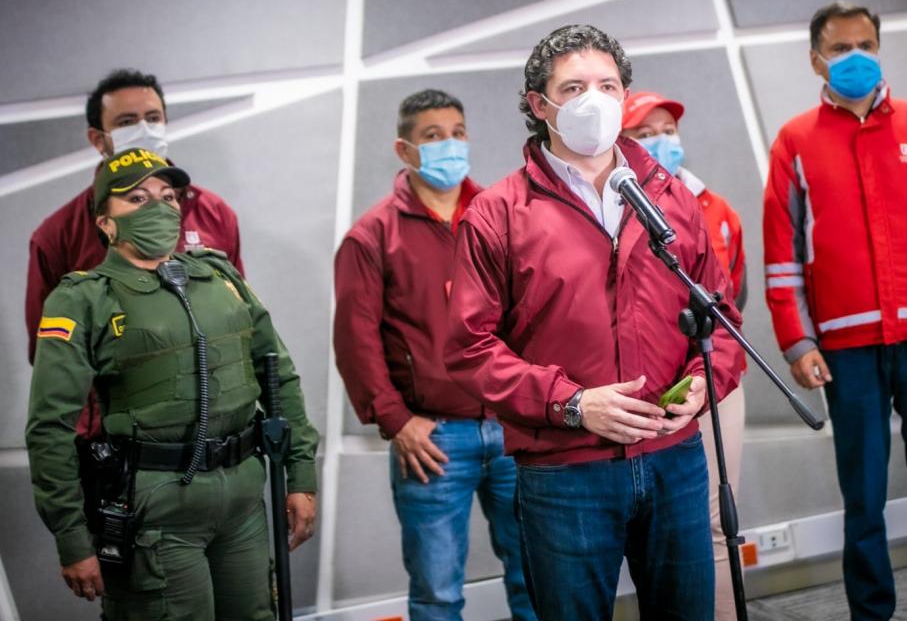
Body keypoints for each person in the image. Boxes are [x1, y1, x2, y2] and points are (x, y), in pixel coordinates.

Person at [444, 24, 743, 621]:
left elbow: (722, 315)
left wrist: (707, 381)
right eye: (574, 87)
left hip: (675, 457)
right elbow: (469, 350)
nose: (595, 100)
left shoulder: (669, 197)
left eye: (607, 85)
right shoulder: (497, 213)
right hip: (565, 474)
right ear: (539, 105)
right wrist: (573, 403)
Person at [763, 1, 907, 621]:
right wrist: (797, 341)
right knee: (862, 500)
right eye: (841, 48)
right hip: (845, 349)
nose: (856, 57)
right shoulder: (795, 142)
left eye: (866, 43)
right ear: (816, 60)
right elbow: (781, 255)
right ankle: (872, 615)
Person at [25, 147, 318, 620]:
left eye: (167, 195)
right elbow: (49, 428)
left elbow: (277, 372)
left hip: (243, 502)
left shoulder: (220, 277)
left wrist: (301, 473)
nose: (159, 207)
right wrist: (72, 537)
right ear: (105, 222)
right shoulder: (81, 299)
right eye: (137, 198)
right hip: (155, 512)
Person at [333, 89, 534, 621]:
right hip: (434, 441)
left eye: (458, 133)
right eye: (433, 136)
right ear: (405, 150)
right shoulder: (372, 236)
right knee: (438, 593)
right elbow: (356, 342)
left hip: (514, 430)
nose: (450, 144)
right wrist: (397, 421)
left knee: (537, 578)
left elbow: (530, 315)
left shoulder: (501, 213)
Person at [622, 91, 747, 621]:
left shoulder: (715, 207)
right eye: (647, 130)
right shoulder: (618, 206)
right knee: (657, 526)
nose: (663, 140)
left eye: (668, 128)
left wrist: (708, 371)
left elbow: (730, 295)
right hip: (641, 393)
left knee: (718, 523)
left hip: (715, 379)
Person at [25, 68, 243, 366]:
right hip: (115, 407)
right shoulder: (58, 234)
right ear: (98, 139)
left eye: (153, 118)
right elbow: (50, 356)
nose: (144, 129)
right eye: (127, 122)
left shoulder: (214, 213)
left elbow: (241, 312)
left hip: (209, 400)